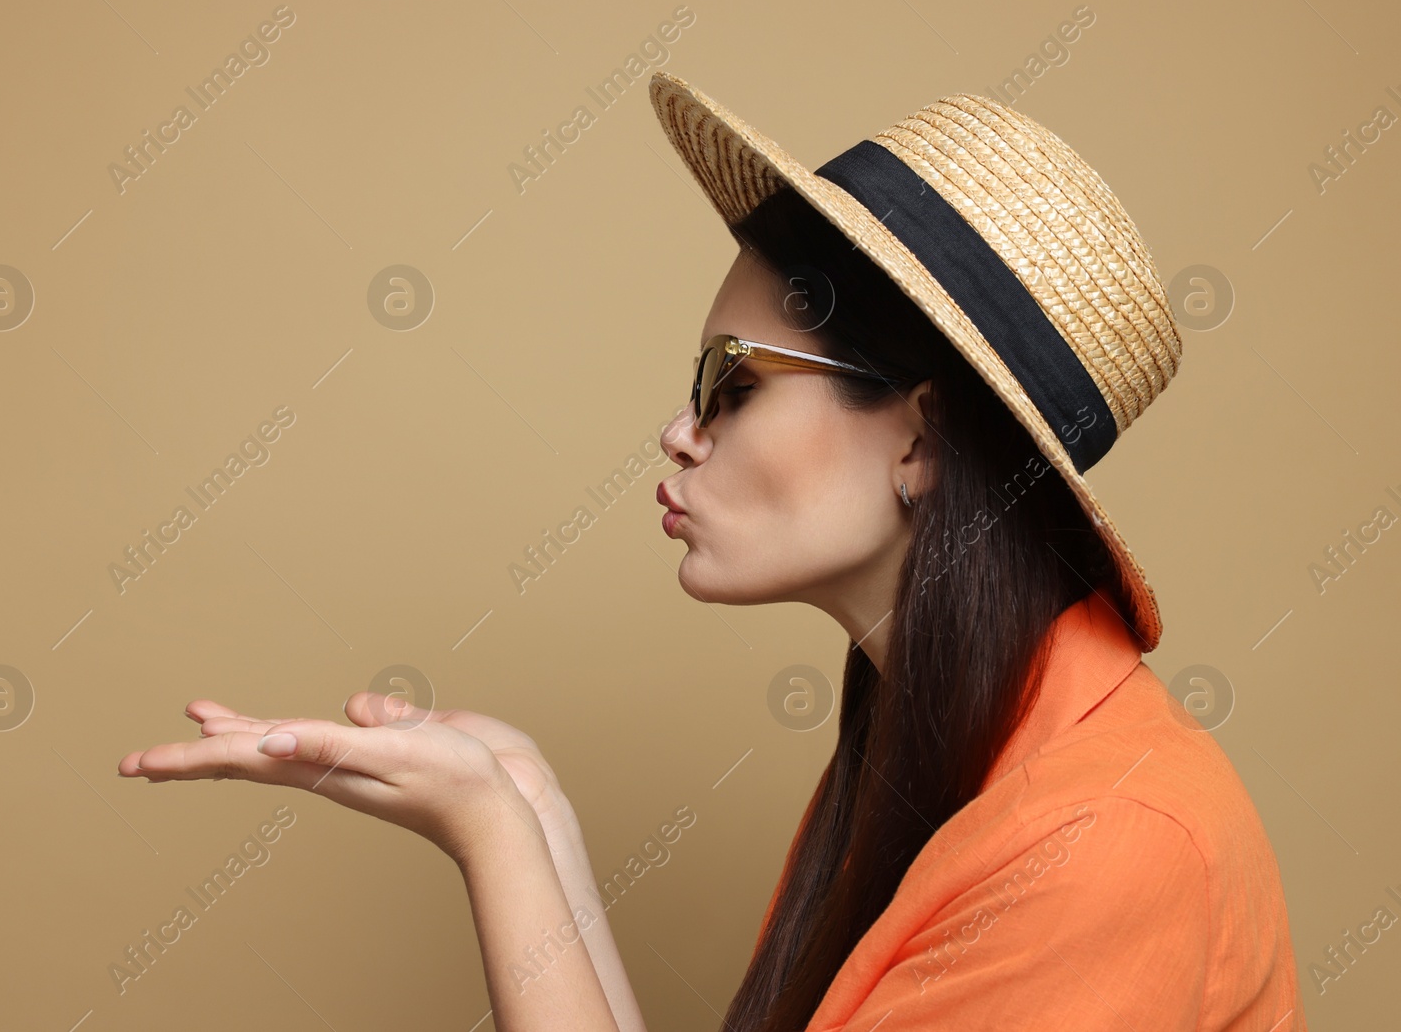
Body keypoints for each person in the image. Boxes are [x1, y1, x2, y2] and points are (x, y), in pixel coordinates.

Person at [117, 73, 1306, 1031]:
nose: (680, 433)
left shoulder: (1105, 848)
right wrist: (531, 813)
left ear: (926, 435)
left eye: (733, 383)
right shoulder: (942, 745)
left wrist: (490, 835)